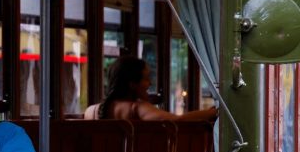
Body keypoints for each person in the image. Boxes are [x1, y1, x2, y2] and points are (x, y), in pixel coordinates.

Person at [84, 56, 218, 121]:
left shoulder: (90, 111)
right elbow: (177, 121)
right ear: (132, 84)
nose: (150, 83)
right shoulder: (137, 108)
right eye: (146, 78)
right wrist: (214, 113)